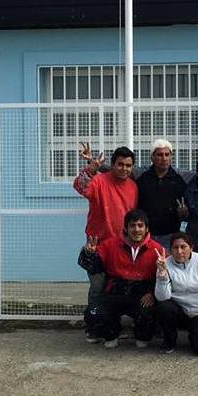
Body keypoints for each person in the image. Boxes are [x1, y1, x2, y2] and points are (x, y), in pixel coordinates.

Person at [73, 144, 138, 342]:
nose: (124, 169)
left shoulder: (134, 187)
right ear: (112, 165)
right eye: (120, 164)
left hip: (121, 247)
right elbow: (79, 186)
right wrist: (91, 168)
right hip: (98, 245)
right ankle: (92, 327)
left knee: (116, 288)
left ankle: (111, 325)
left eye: (128, 165)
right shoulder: (100, 180)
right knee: (97, 287)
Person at [78, 209, 162, 349]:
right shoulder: (110, 244)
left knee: (150, 317)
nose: (136, 229)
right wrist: (89, 254)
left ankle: (142, 335)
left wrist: (152, 293)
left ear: (146, 228)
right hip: (115, 291)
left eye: (140, 226)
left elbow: (163, 278)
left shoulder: (156, 249)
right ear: (126, 228)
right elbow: (93, 268)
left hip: (142, 294)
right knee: (94, 312)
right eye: (132, 225)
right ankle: (111, 333)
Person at [154, 232, 198, 356]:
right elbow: (162, 297)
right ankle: (169, 340)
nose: (179, 251)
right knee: (164, 307)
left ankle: (196, 333)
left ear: (191, 247)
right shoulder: (165, 263)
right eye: (175, 248)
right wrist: (162, 276)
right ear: (170, 250)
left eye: (183, 247)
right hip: (178, 309)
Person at [136, 139, 188, 249]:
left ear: (171, 157)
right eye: (159, 155)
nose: (164, 158)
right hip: (147, 235)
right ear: (152, 158)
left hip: (170, 235)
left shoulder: (179, 180)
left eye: (167, 154)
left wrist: (183, 213)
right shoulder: (142, 179)